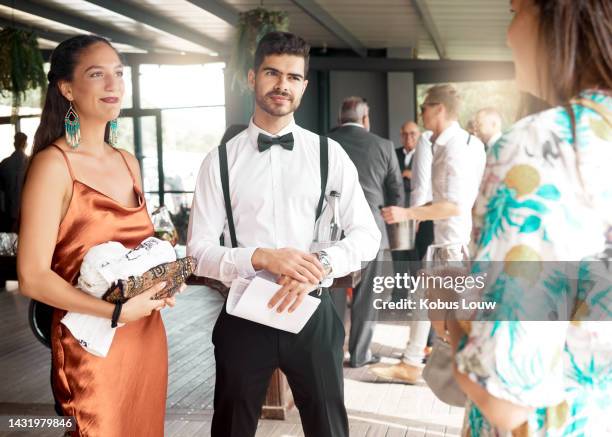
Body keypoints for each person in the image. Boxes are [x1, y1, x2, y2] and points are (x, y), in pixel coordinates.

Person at [187, 32, 380, 437]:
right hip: (243, 314)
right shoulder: (219, 161)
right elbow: (198, 252)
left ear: (304, 86)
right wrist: (260, 257)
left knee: (329, 428)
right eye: (273, 73)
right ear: (252, 77)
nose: (282, 85)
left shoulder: (330, 154)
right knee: (231, 428)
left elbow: (366, 235)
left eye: (293, 77)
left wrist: (319, 265)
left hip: (313, 310)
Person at [435, 0, 612, 435]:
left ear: (562, 14)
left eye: (515, 11)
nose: (509, 33)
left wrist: (446, 306)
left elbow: (504, 394)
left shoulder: (539, 144)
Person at [17, 35, 176, 436]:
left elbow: (136, 249)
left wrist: (161, 279)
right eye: (97, 74)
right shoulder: (53, 166)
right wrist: (116, 312)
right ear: (67, 88)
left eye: (119, 74)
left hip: (145, 336)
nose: (114, 84)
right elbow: (32, 277)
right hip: (91, 345)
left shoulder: (127, 161)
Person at [375, 85, 486, 384]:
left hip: (452, 243)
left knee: (444, 309)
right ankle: (416, 362)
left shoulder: (455, 149)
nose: (421, 112)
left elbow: (454, 205)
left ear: (439, 108)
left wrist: (408, 214)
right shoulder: (460, 143)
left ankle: (452, 370)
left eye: (424, 106)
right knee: (428, 302)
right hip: (451, 242)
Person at [328, 96, 403, 368]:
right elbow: (396, 191)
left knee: (333, 293)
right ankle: (360, 355)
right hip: (373, 231)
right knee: (368, 297)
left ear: (339, 120)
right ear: (365, 119)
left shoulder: (325, 144)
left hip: (332, 231)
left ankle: (333, 353)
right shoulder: (383, 146)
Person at [0, 132, 28, 232]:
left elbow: (1, 191)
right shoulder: (30, 163)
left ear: (14, 144)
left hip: (8, 212)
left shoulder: (4, 163)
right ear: (25, 144)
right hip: (26, 211)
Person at [395, 121, 420, 206]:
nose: (408, 137)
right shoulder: (393, 154)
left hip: (418, 205)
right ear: (401, 136)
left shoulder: (426, 155)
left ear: (419, 135)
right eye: (404, 134)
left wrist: (415, 175)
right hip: (397, 204)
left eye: (412, 134)